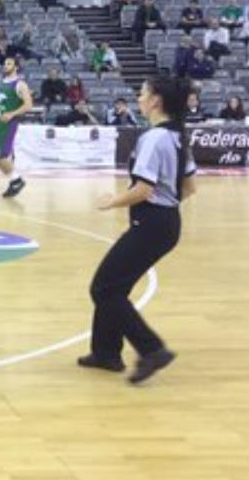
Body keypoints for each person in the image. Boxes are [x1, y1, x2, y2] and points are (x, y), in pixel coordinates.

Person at [81, 75, 195, 383]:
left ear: (156, 101)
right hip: (167, 222)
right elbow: (190, 187)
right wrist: (167, 204)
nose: (139, 98)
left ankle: (152, 349)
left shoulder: (154, 138)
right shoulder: (178, 136)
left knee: (104, 288)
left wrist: (112, 201)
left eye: (143, 94)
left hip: (152, 223)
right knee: (114, 286)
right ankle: (105, 352)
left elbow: (144, 189)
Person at [0, 56, 33, 198]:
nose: (5, 65)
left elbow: (28, 105)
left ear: (16, 67)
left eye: (9, 63)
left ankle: (17, 180)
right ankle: (13, 181)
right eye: (4, 63)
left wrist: (12, 114)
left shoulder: (20, 84)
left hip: (8, 123)